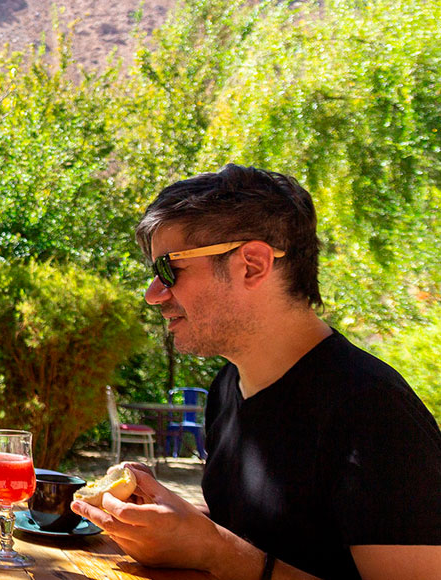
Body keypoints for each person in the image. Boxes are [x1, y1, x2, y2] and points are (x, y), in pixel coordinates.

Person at [72, 165, 441, 580]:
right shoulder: (229, 386)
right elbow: (271, 533)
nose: (153, 295)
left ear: (252, 265)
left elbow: (233, 553)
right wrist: (171, 524)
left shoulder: (375, 413)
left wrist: (213, 550)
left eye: (168, 269)